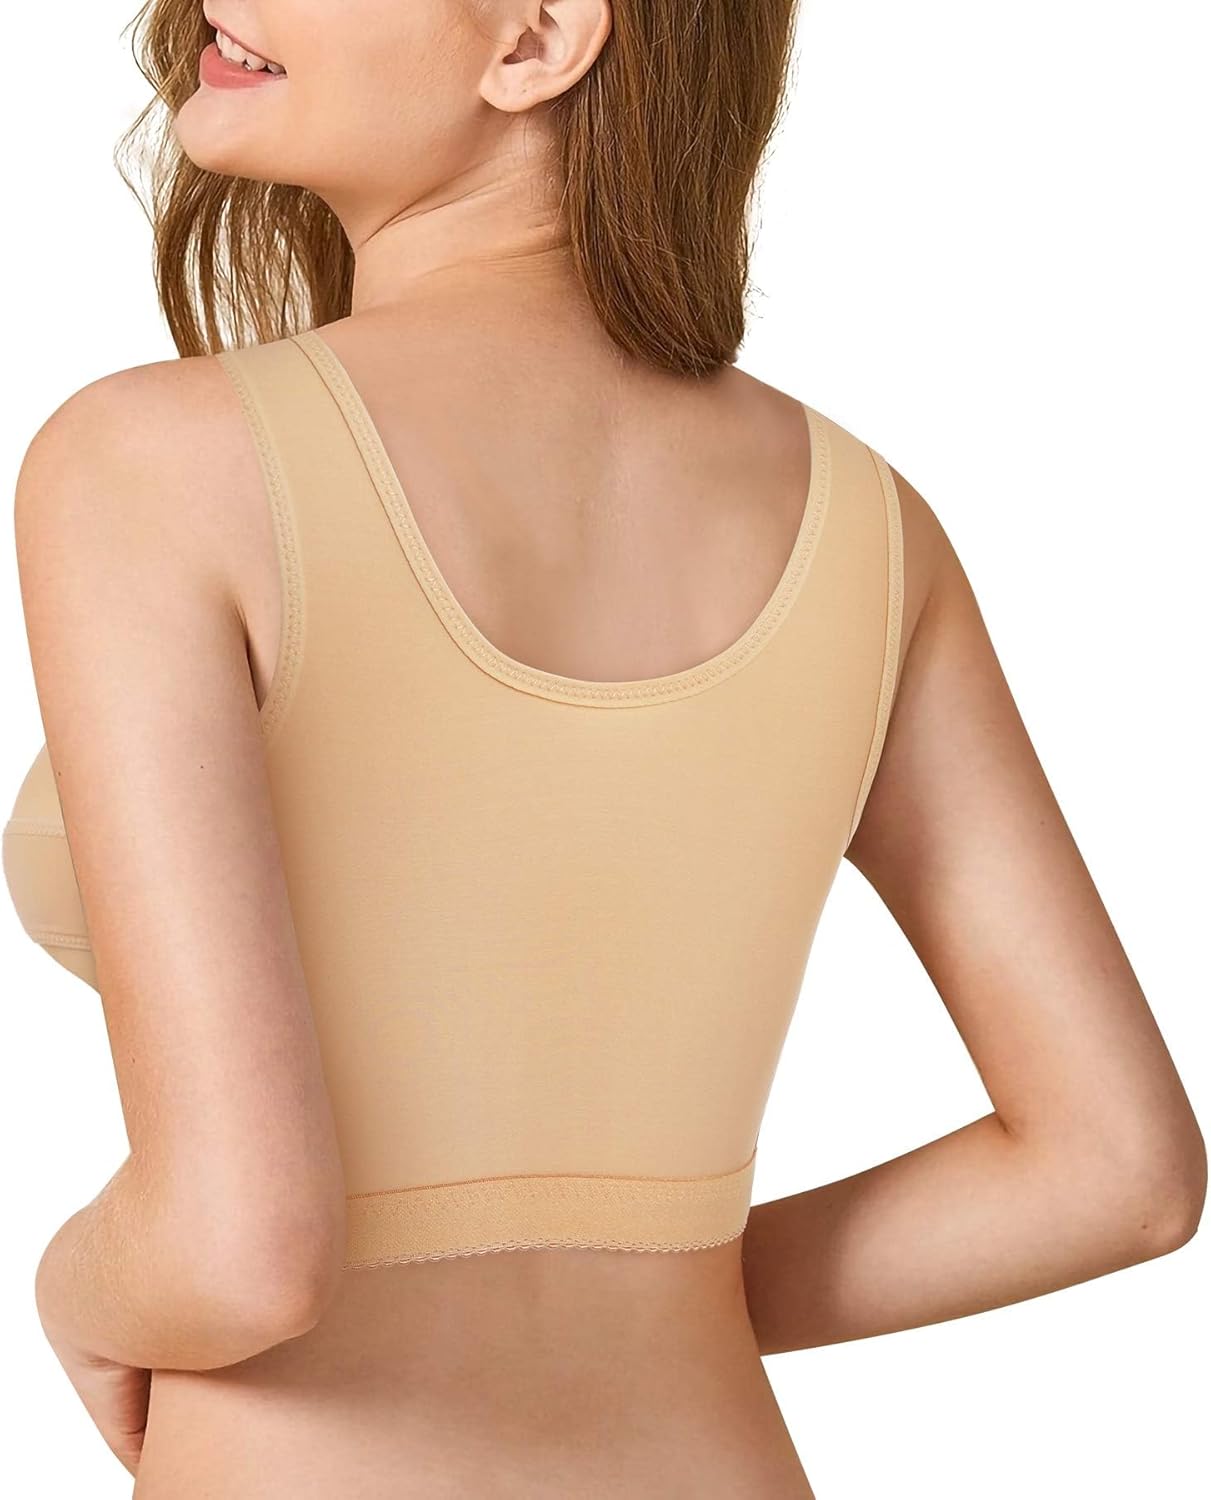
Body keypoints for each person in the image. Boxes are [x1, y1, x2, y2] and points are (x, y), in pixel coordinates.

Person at [3, 2, 1204, 1496]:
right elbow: (1114, 1172)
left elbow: (236, 1247)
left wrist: (74, 1288)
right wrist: (664, 1302)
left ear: (537, 39)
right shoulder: (868, 523)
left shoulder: (152, 463)